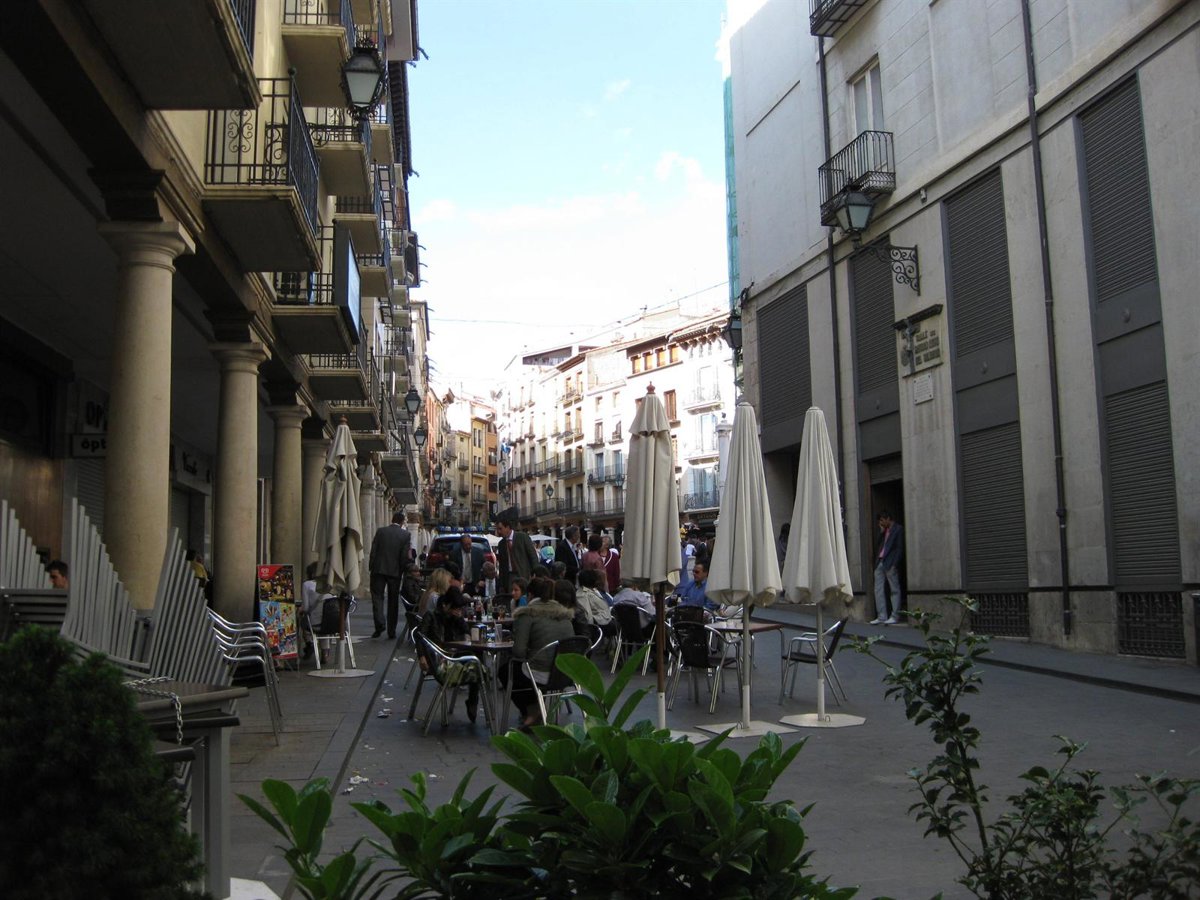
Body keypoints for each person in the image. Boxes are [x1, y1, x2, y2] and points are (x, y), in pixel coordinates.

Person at [509, 574, 576, 730]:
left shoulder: (528, 614)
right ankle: (537, 709)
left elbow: (518, 651)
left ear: (529, 595)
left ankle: (532, 711)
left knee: (507, 671)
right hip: (565, 672)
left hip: (539, 673)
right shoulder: (565, 615)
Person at [418, 586, 484, 722]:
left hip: (454, 654)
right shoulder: (432, 616)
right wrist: (422, 656)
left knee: (477, 658)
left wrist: (459, 619)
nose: (457, 611)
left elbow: (466, 631)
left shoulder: (455, 617)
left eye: (459, 609)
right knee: (475, 665)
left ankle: (473, 699)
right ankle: (473, 699)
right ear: (445, 605)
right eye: (455, 608)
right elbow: (420, 636)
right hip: (440, 658)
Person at [367, 511, 411, 639]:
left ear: (392, 520)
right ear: (402, 522)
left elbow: (373, 550)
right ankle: (391, 631)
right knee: (393, 601)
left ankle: (379, 624)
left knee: (377, 597)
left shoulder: (381, 531)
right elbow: (403, 556)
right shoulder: (405, 535)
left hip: (378, 569)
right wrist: (402, 571)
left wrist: (371, 566)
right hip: (395, 572)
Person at [494, 507, 539, 593]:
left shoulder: (522, 537)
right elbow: (502, 565)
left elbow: (533, 556)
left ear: (507, 527)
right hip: (509, 577)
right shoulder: (501, 544)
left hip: (523, 575)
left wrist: (536, 574)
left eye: (500, 528)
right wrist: (502, 584)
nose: (499, 531)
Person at [871, 511, 905, 625]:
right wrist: (881, 533)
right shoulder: (884, 531)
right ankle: (882, 616)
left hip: (890, 562)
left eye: (882, 520)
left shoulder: (898, 529)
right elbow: (877, 545)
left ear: (888, 519)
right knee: (878, 589)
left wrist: (895, 563)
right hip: (880, 562)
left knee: (894, 589)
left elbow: (899, 547)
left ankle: (895, 615)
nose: (880, 523)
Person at [576, 568, 616, 637]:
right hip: (598, 625)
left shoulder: (592, 591)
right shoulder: (582, 595)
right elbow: (587, 614)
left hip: (604, 620)